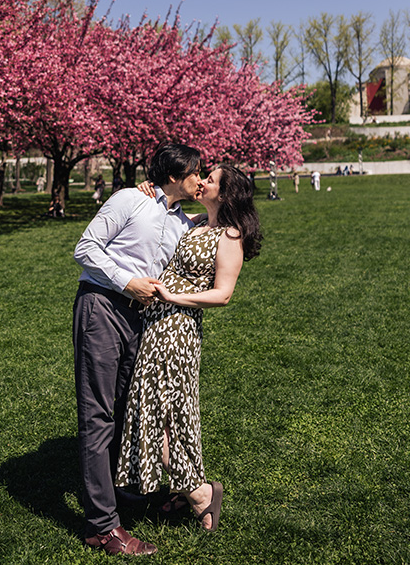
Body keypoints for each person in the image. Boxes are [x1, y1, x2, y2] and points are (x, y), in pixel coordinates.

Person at [72, 141, 204, 557]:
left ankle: (117, 490)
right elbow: (85, 248)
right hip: (103, 307)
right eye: (196, 172)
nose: (201, 179)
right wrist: (126, 281)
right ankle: (102, 527)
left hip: (141, 320)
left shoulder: (183, 223)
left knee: (129, 407)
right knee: (97, 414)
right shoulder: (131, 198)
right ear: (173, 175)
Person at [114, 164, 263, 534]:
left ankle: (198, 492)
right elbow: (164, 212)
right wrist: (150, 188)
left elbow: (223, 294)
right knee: (159, 409)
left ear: (226, 194)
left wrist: (174, 296)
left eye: (210, 179)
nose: (202, 181)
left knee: (165, 410)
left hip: (177, 328)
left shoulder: (230, 235)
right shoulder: (197, 221)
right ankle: (187, 485)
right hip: (156, 324)